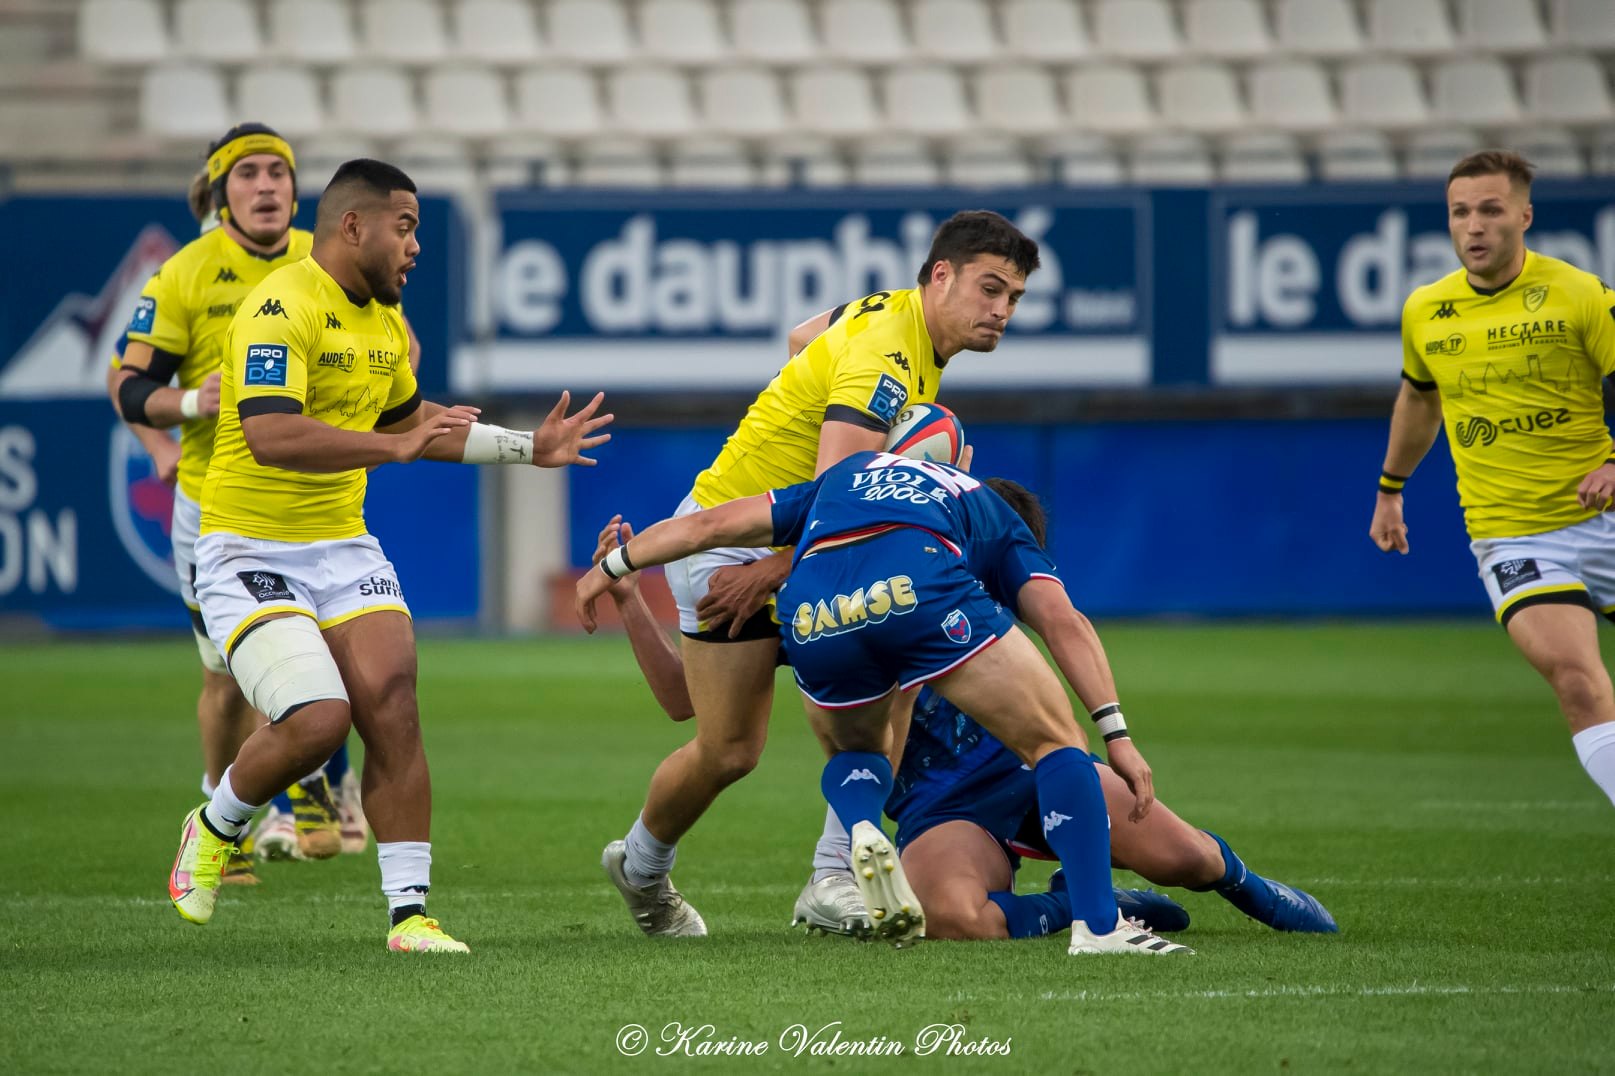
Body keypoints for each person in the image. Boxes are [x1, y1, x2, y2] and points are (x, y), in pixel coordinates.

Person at [165, 158, 612, 953]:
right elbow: (270, 433)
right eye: (403, 228)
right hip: (245, 549)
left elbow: (415, 425)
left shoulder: (380, 326)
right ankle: (216, 823)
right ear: (353, 226)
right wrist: (389, 446)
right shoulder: (280, 305)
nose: (414, 246)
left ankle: (410, 917)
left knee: (393, 705)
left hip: (341, 546)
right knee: (318, 720)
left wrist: (527, 447)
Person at [589, 500, 1336, 940]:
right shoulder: (845, 607)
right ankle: (1080, 905)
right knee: (951, 920)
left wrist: (1115, 733)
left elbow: (1064, 626)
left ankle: (1252, 889)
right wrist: (630, 601)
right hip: (944, 810)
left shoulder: (985, 597)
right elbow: (685, 700)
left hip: (1035, 774)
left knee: (1189, 860)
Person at [597, 211, 1042, 940]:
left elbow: (803, 337)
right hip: (733, 544)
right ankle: (649, 866)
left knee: (890, 674)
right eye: (989, 289)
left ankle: (824, 875)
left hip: (766, 534)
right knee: (731, 748)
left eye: (1014, 297)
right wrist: (775, 569)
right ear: (941, 276)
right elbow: (841, 501)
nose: (1002, 310)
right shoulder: (886, 362)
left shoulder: (887, 315)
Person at [1370, 150, 1615, 810]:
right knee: (1575, 678)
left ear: (1524, 216)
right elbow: (1419, 399)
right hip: (1514, 535)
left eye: (1489, 210)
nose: (1473, 226)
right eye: (1459, 212)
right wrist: (1390, 488)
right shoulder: (1426, 309)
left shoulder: (1580, 294)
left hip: (1605, 517)